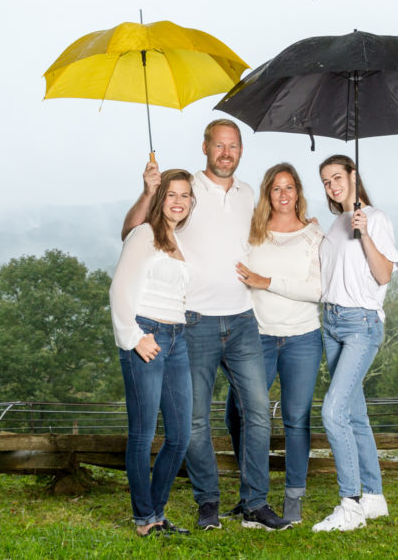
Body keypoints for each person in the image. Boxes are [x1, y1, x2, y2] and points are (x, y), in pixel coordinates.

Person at [122, 119, 291, 532]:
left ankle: (254, 503)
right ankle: (208, 503)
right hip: (192, 321)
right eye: (219, 145)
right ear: (205, 148)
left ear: (240, 151)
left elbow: (268, 238)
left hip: (242, 318)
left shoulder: (249, 193)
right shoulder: (186, 189)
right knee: (195, 420)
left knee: (257, 413)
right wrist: (148, 192)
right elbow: (131, 231)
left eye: (233, 146)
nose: (226, 152)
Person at [225, 163, 324, 525]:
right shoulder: (252, 233)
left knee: (296, 419)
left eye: (290, 187)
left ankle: (293, 499)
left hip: (302, 338)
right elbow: (235, 273)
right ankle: (251, 495)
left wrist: (265, 280)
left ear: (298, 192)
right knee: (237, 412)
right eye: (276, 189)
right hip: (257, 335)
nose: (284, 195)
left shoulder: (314, 235)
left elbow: (316, 290)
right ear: (268, 194)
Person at [311, 154, 398, 533]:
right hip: (330, 322)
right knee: (355, 415)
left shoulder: (375, 219)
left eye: (337, 177)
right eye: (326, 182)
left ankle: (349, 503)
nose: (332, 186)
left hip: (361, 324)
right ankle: (375, 498)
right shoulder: (335, 224)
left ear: (353, 175)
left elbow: (383, 275)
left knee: (332, 413)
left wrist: (364, 232)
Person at [109, 168, 195, 538]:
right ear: (161, 198)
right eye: (172, 194)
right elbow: (119, 289)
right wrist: (134, 336)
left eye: (186, 195)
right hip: (147, 335)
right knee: (143, 434)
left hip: (177, 339)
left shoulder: (177, 240)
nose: (179, 202)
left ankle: (157, 513)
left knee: (180, 435)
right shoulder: (144, 234)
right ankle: (144, 519)